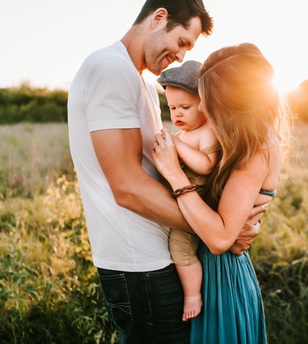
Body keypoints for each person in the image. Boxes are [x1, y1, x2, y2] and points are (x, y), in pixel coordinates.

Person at [68, 0, 265, 342]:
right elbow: (127, 187)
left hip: (161, 257)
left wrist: (226, 221)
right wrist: (220, 231)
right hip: (140, 265)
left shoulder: (142, 83)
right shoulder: (109, 69)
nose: (181, 57)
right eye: (182, 43)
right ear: (159, 18)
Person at [152, 42, 290, 344]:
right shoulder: (234, 137)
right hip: (207, 268)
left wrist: (175, 175)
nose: (203, 108)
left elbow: (219, 239)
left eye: (209, 100)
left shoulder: (257, 146)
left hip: (222, 277)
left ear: (234, 102)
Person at [156, 60, 220, 322]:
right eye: (172, 108)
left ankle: (193, 294)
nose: (177, 114)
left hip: (198, 206)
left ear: (204, 105)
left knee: (179, 248)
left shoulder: (207, 132)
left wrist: (177, 146)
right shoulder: (184, 134)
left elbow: (206, 165)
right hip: (180, 201)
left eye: (185, 107)